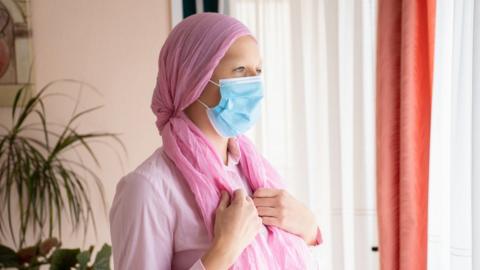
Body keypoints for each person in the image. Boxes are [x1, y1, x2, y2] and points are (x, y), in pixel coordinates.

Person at [109, 12, 323, 270]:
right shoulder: (147, 189)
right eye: (240, 69)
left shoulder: (256, 172)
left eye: (258, 70)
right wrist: (224, 249)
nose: (254, 83)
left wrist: (309, 229)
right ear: (194, 77)